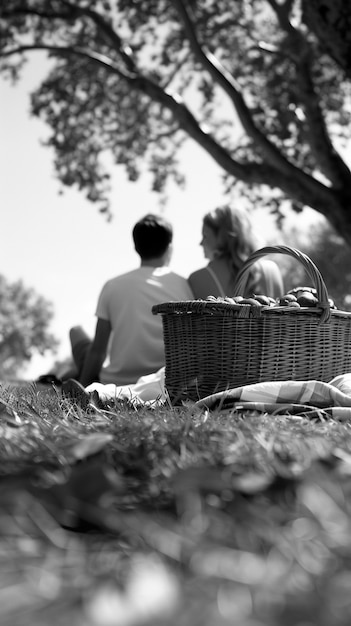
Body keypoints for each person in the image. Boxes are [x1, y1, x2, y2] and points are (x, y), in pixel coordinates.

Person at [68, 213, 193, 387]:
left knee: (76, 331)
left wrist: (82, 388)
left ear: (136, 247)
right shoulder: (184, 286)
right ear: (169, 247)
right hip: (164, 382)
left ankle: (72, 376)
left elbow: (98, 351)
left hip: (115, 384)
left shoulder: (113, 286)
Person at [188, 205, 284, 299]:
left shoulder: (199, 278)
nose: (201, 243)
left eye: (205, 235)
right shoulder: (271, 270)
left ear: (222, 237)